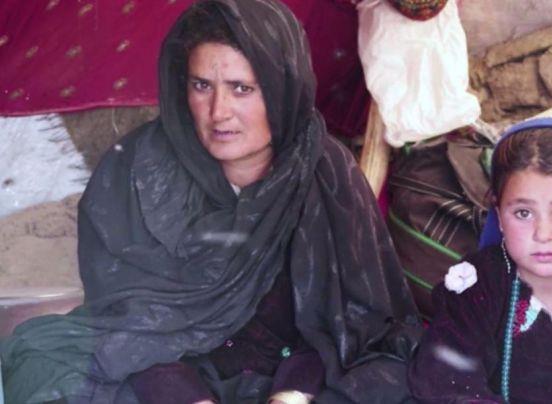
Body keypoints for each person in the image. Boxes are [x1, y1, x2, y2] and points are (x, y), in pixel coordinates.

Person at [0, 1, 422, 403]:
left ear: (281, 90)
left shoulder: (326, 172)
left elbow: (355, 326)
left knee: (396, 381)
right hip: (165, 375)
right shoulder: (138, 171)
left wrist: (291, 394)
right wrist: (187, 397)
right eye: (202, 86)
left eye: (242, 89)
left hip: (297, 378)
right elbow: (125, 324)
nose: (219, 112)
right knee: (44, 368)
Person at [407, 117, 552, 403]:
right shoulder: (476, 286)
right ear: (499, 214)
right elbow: (445, 380)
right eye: (523, 213)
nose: (543, 234)